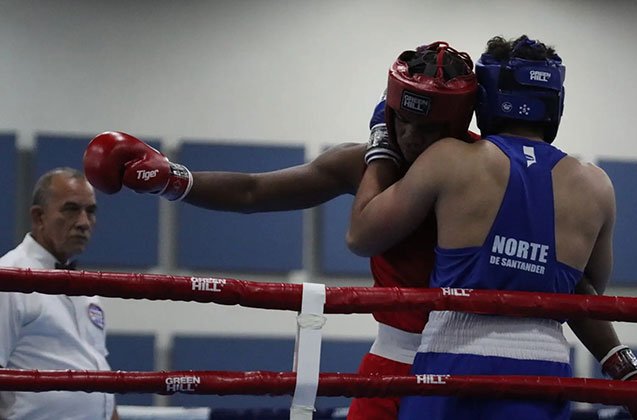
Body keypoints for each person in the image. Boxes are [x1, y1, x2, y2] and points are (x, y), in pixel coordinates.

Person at [82, 41, 478, 419]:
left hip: (469, 356)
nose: (409, 136)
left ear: (457, 125)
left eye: (426, 129)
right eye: (403, 120)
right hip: (393, 355)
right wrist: (174, 180)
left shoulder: (487, 171)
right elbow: (255, 191)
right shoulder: (362, 163)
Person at [347, 35, 637, 420]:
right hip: (544, 366)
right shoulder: (596, 186)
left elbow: (362, 235)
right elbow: (585, 293)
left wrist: (381, 142)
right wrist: (626, 369)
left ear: (484, 99)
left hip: (452, 358)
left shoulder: (450, 159)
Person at [0, 167, 119, 420]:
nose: (84, 223)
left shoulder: (86, 289)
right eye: (71, 209)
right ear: (39, 217)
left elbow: (99, 370)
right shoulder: (9, 278)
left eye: (91, 211)